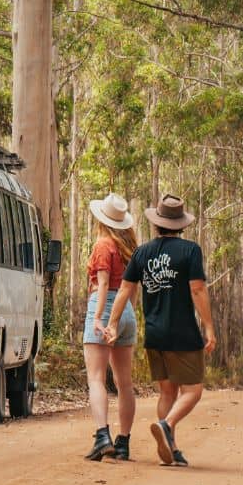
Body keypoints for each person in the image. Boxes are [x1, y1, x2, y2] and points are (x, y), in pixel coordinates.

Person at [105, 193, 215, 468]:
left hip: (154, 333)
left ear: (157, 223)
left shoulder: (143, 252)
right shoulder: (190, 251)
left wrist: (113, 323)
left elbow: (125, 290)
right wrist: (210, 327)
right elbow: (198, 289)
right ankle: (167, 425)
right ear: (181, 224)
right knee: (193, 391)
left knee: (168, 392)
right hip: (183, 333)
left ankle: (171, 447)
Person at [82, 192, 138, 461]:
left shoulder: (104, 246)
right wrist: (128, 314)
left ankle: (102, 435)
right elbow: (132, 287)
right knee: (124, 382)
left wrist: (97, 318)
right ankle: (124, 442)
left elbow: (103, 284)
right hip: (126, 310)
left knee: (95, 377)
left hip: (104, 307)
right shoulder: (127, 249)